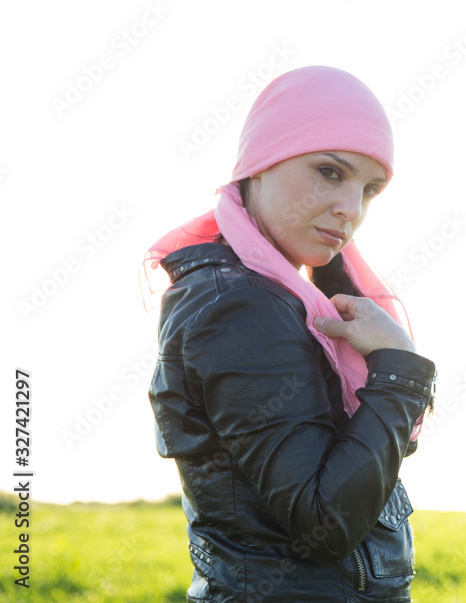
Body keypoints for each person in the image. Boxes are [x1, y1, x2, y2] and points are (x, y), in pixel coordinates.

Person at [140, 65, 436, 602]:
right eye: (329, 171)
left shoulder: (282, 299)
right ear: (260, 164)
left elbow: (353, 476)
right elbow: (325, 520)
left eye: (370, 189)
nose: (352, 209)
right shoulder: (238, 305)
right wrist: (398, 369)